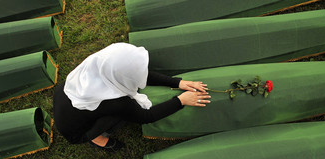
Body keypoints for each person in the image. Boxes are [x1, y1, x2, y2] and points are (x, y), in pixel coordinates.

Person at [53, 43, 210, 151]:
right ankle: (95, 138)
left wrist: (177, 83)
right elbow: (147, 116)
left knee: (112, 110)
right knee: (120, 116)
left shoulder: (97, 67)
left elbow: (136, 74)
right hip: (75, 132)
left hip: (65, 101)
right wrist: (181, 101)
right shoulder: (118, 103)